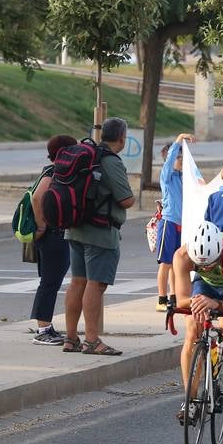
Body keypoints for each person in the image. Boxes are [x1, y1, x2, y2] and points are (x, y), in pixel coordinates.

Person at [62, 118, 135, 355]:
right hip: (101, 232)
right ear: (122, 137)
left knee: (77, 282)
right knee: (96, 285)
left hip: (76, 227)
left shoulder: (89, 153)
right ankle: (92, 340)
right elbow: (126, 199)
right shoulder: (110, 161)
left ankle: (71, 338)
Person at [172, 221, 223, 423]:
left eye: (210, 263)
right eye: (201, 264)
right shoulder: (182, 256)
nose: (206, 267)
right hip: (206, 285)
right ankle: (190, 399)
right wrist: (199, 303)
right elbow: (181, 299)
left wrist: (214, 304)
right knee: (192, 328)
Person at [26, 134, 79, 345]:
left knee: (51, 281)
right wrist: (41, 225)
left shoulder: (55, 170)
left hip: (54, 233)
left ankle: (45, 326)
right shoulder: (53, 172)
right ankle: (42, 329)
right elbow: (38, 197)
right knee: (49, 282)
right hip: (52, 235)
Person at [155, 134, 194, 310]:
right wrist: (179, 140)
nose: (180, 160)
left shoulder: (181, 178)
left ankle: (174, 296)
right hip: (168, 222)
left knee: (176, 262)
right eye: (178, 157)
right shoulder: (167, 176)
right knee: (166, 263)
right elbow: (170, 159)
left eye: (182, 157)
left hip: (181, 223)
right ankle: (161, 299)